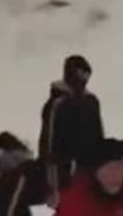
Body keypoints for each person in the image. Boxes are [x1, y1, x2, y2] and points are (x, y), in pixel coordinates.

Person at [38, 54, 105, 199]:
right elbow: (48, 141)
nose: (84, 79)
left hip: (88, 168)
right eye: (80, 73)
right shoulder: (57, 104)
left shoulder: (91, 101)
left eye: (87, 74)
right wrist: (50, 171)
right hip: (63, 169)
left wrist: (100, 162)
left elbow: (98, 134)